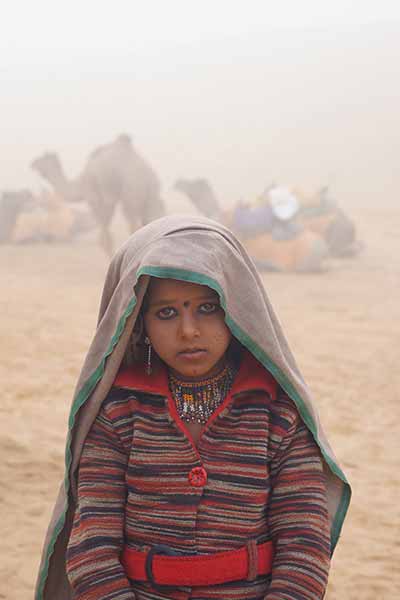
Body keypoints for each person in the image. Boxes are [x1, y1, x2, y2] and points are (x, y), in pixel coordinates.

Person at [35, 215, 351, 600]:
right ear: (140, 324)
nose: (188, 330)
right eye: (166, 313)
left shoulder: (276, 413)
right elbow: (92, 550)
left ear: (236, 310)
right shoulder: (119, 413)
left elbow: (304, 547)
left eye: (207, 308)